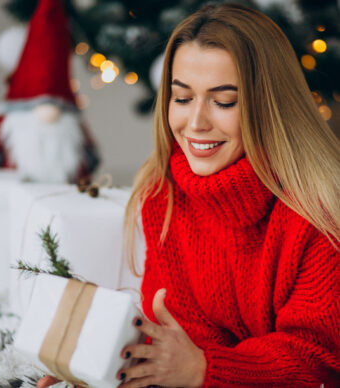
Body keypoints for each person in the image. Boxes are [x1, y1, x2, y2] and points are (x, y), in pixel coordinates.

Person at [38, 3, 340, 387]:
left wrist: (202, 369)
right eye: (182, 98)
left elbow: (317, 364)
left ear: (269, 106)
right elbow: (183, 333)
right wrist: (106, 359)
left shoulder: (321, 212)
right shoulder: (164, 196)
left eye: (224, 101)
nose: (196, 123)